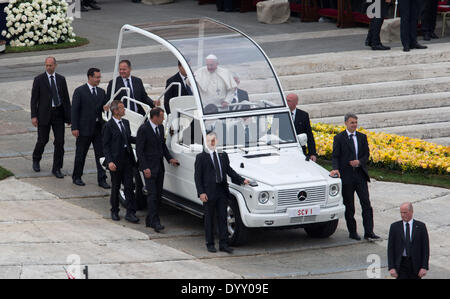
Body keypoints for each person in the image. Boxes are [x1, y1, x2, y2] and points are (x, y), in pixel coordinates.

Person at [194, 131, 249, 254]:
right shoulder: (201, 157)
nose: (211, 143)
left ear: (217, 141)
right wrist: (201, 193)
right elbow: (197, 177)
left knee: (222, 218)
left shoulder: (223, 155)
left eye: (213, 140)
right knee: (209, 219)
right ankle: (210, 243)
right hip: (208, 192)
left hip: (222, 191)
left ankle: (223, 244)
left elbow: (229, 170)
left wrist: (241, 180)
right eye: (209, 141)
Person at [330, 113, 379, 241]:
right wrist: (335, 168)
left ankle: (369, 231)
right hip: (347, 177)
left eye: (356, 123)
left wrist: (359, 162)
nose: (354, 125)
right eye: (352, 123)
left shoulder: (362, 137)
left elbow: (366, 155)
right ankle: (353, 232)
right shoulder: (339, 138)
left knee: (366, 205)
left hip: (360, 176)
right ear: (346, 123)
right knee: (349, 206)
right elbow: (335, 155)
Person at [136, 107, 179, 233]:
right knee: (152, 195)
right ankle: (155, 222)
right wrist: (145, 168)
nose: (163, 119)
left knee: (158, 195)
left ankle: (150, 219)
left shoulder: (160, 128)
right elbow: (140, 150)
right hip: (149, 168)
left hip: (159, 167)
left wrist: (170, 159)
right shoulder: (144, 129)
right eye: (162, 117)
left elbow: (162, 146)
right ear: (155, 117)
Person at [30, 57, 71, 179]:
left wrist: (69, 117)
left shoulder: (61, 79)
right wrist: (33, 116)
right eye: (46, 65)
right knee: (43, 140)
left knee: (59, 142)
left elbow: (66, 99)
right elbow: (34, 99)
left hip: (58, 113)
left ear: (55, 65)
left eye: (50, 65)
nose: (48, 67)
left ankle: (57, 168)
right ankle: (36, 159)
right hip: (44, 114)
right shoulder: (39, 80)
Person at [71, 68, 109, 189]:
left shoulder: (102, 92)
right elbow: (74, 111)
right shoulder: (80, 91)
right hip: (84, 129)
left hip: (98, 129)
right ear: (89, 77)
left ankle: (102, 179)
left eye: (99, 77)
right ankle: (77, 176)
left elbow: (103, 108)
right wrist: (75, 127)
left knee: (101, 155)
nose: (98, 80)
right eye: (97, 77)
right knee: (81, 154)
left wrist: (106, 109)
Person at [102, 100, 139, 223]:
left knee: (129, 187)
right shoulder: (108, 126)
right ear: (116, 111)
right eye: (122, 108)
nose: (124, 110)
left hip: (127, 160)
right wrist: (109, 161)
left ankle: (130, 212)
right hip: (116, 162)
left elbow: (128, 139)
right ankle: (114, 210)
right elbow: (106, 146)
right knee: (116, 187)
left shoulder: (126, 123)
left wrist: (142, 139)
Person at [388, 202, 430, 279]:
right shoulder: (395, 227)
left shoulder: (421, 227)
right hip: (401, 264)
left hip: (415, 265)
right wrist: (391, 267)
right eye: (401, 213)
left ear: (411, 212)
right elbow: (390, 248)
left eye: (405, 212)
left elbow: (425, 248)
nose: (403, 215)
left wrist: (424, 267)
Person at [286, 93, 317, 162]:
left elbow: (309, 134)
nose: (286, 102)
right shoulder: (280, 115)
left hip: (300, 149)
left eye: (289, 101)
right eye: (286, 100)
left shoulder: (303, 115)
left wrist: (312, 153)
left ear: (295, 103)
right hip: (285, 150)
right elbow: (272, 130)